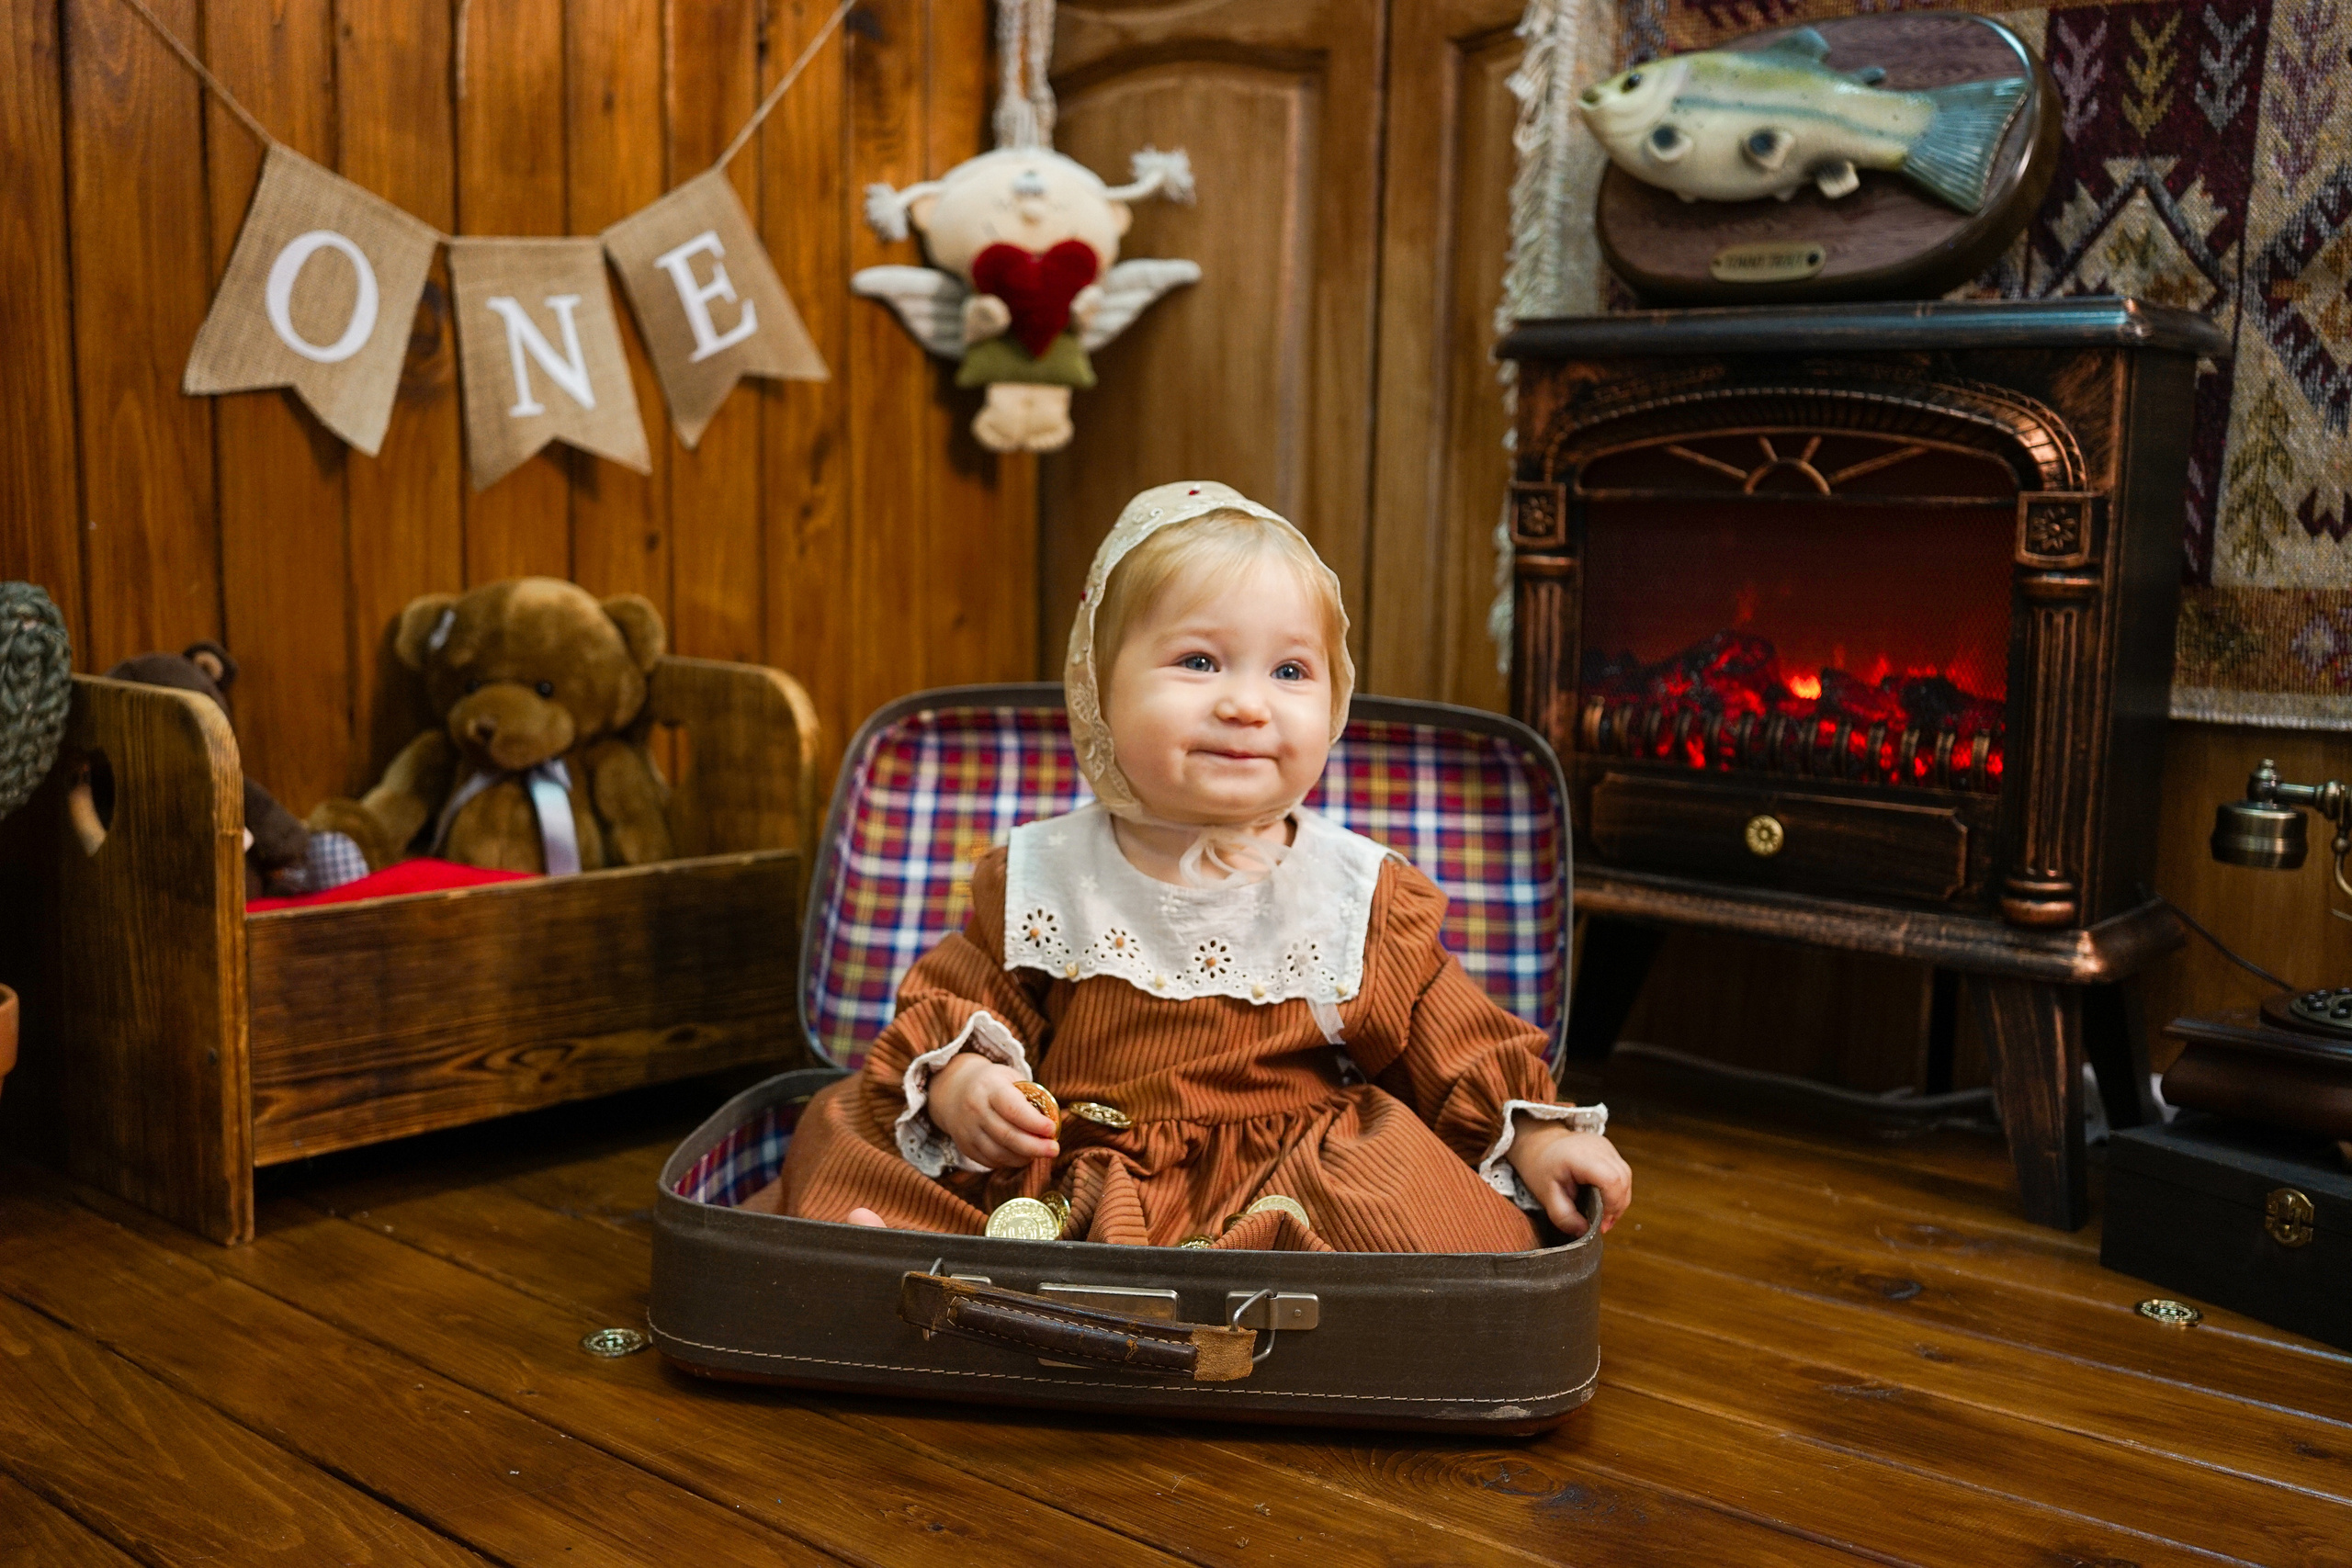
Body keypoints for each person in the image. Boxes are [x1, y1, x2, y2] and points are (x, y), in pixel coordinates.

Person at [763, 480, 1632, 1251]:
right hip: (1073, 1164)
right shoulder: (1043, 873)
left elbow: (1457, 1042)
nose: (1246, 703)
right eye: (1199, 661)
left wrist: (1535, 1138)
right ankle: (887, 1249)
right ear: (1098, 690)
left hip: (1295, 1177)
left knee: (1420, 1205)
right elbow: (960, 1000)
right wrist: (963, 1082)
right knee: (840, 1118)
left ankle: (1336, 1301)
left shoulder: (1356, 893)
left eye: (1292, 670)